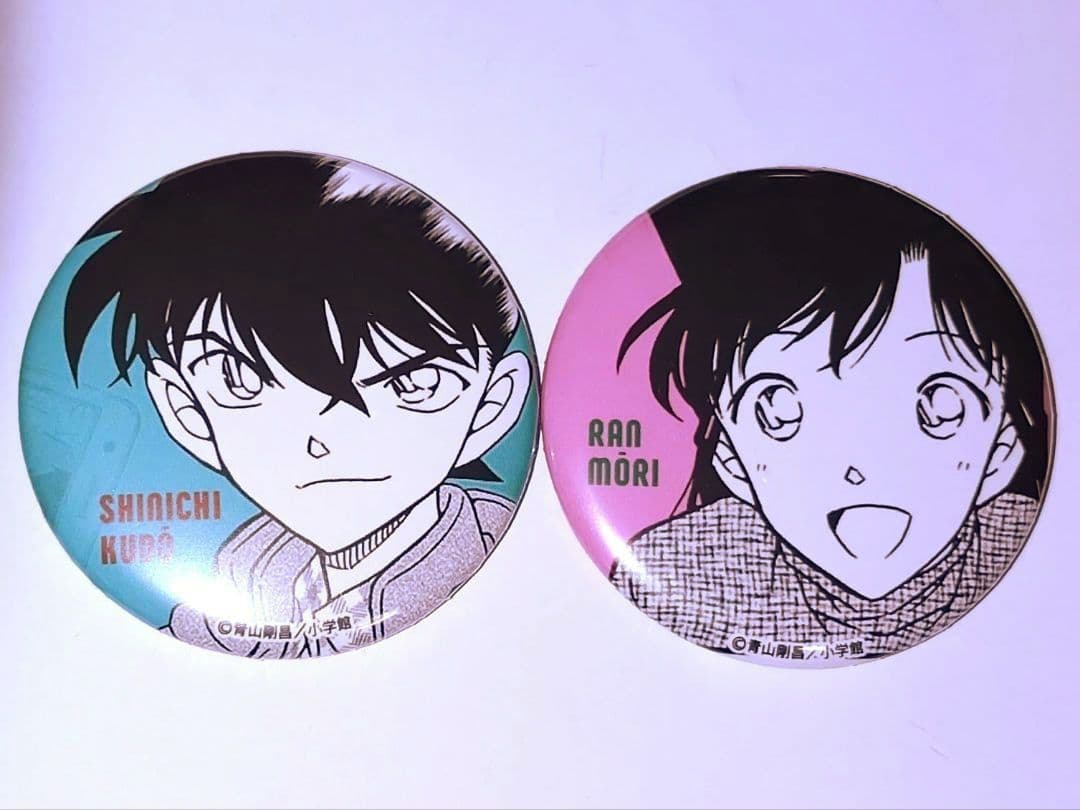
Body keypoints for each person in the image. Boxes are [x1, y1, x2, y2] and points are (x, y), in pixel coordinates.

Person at [65, 154, 533, 657]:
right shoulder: (232, 580)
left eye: (413, 382)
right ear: (187, 412)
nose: (325, 439)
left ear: (492, 405)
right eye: (239, 378)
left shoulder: (499, 574)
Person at [611, 169, 1052, 660]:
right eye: (779, 409)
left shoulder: (1041, 566)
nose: (862, 466)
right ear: (731, 459)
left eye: (941, 405)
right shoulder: (685, 573)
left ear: (1002, 450)